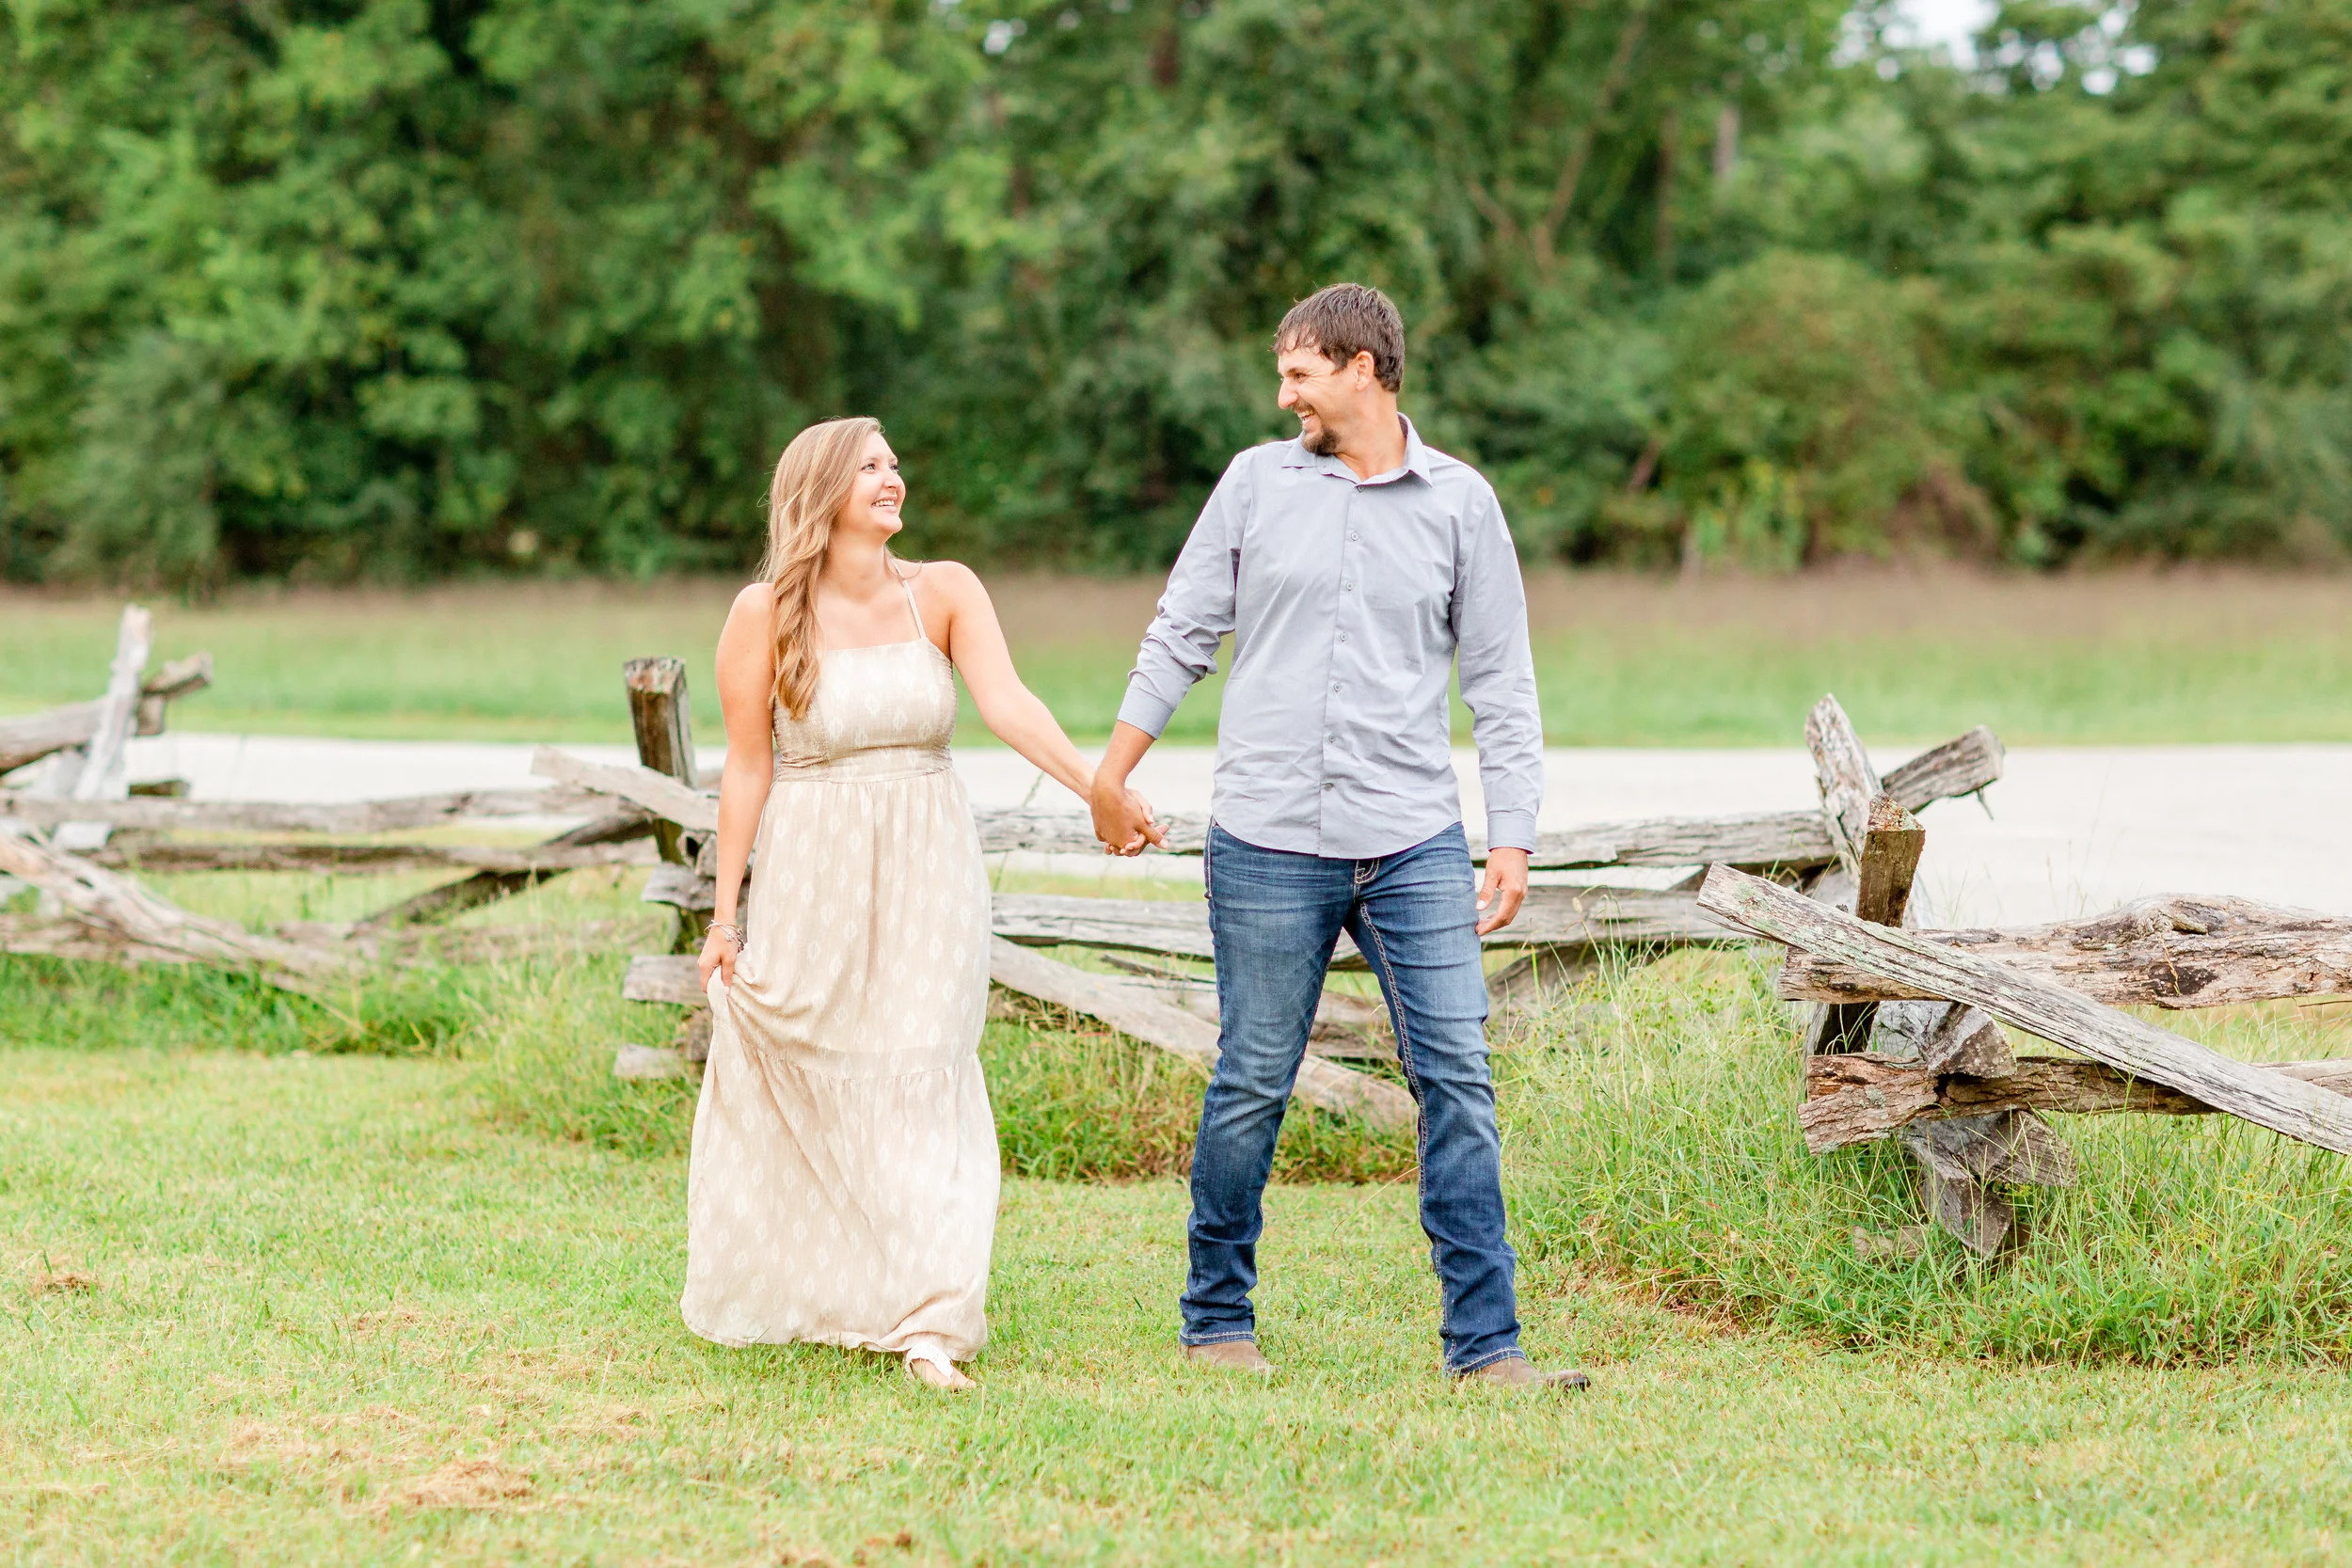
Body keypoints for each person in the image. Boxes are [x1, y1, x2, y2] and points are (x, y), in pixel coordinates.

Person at [1089, 283, 1588, 1389]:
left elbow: (1501, 682)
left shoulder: (1462, 503)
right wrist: (1110, 771)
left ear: (1364, 367)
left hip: (1411, 838)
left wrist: (1511, 837)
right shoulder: (1254, 484)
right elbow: (1181, 630)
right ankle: (1216, 1320)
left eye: (1300, 373)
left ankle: (1487, 1347)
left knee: (1457, 1074)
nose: (1285, 394)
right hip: (1266, 835)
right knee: (1253, 1077)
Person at [681, 416, 1127, 1391]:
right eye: (871, 466)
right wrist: (726, 916)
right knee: (823, 1063)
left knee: (924, 1069)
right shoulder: (764, 612)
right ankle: (840, 1290)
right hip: (813, 867)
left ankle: (932, 1319)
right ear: (822, 490)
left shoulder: (946, 591)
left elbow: (1010, 704)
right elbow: (746, 768)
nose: (895, 477)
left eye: (895, 463)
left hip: (929, 865)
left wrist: (1093, 785)